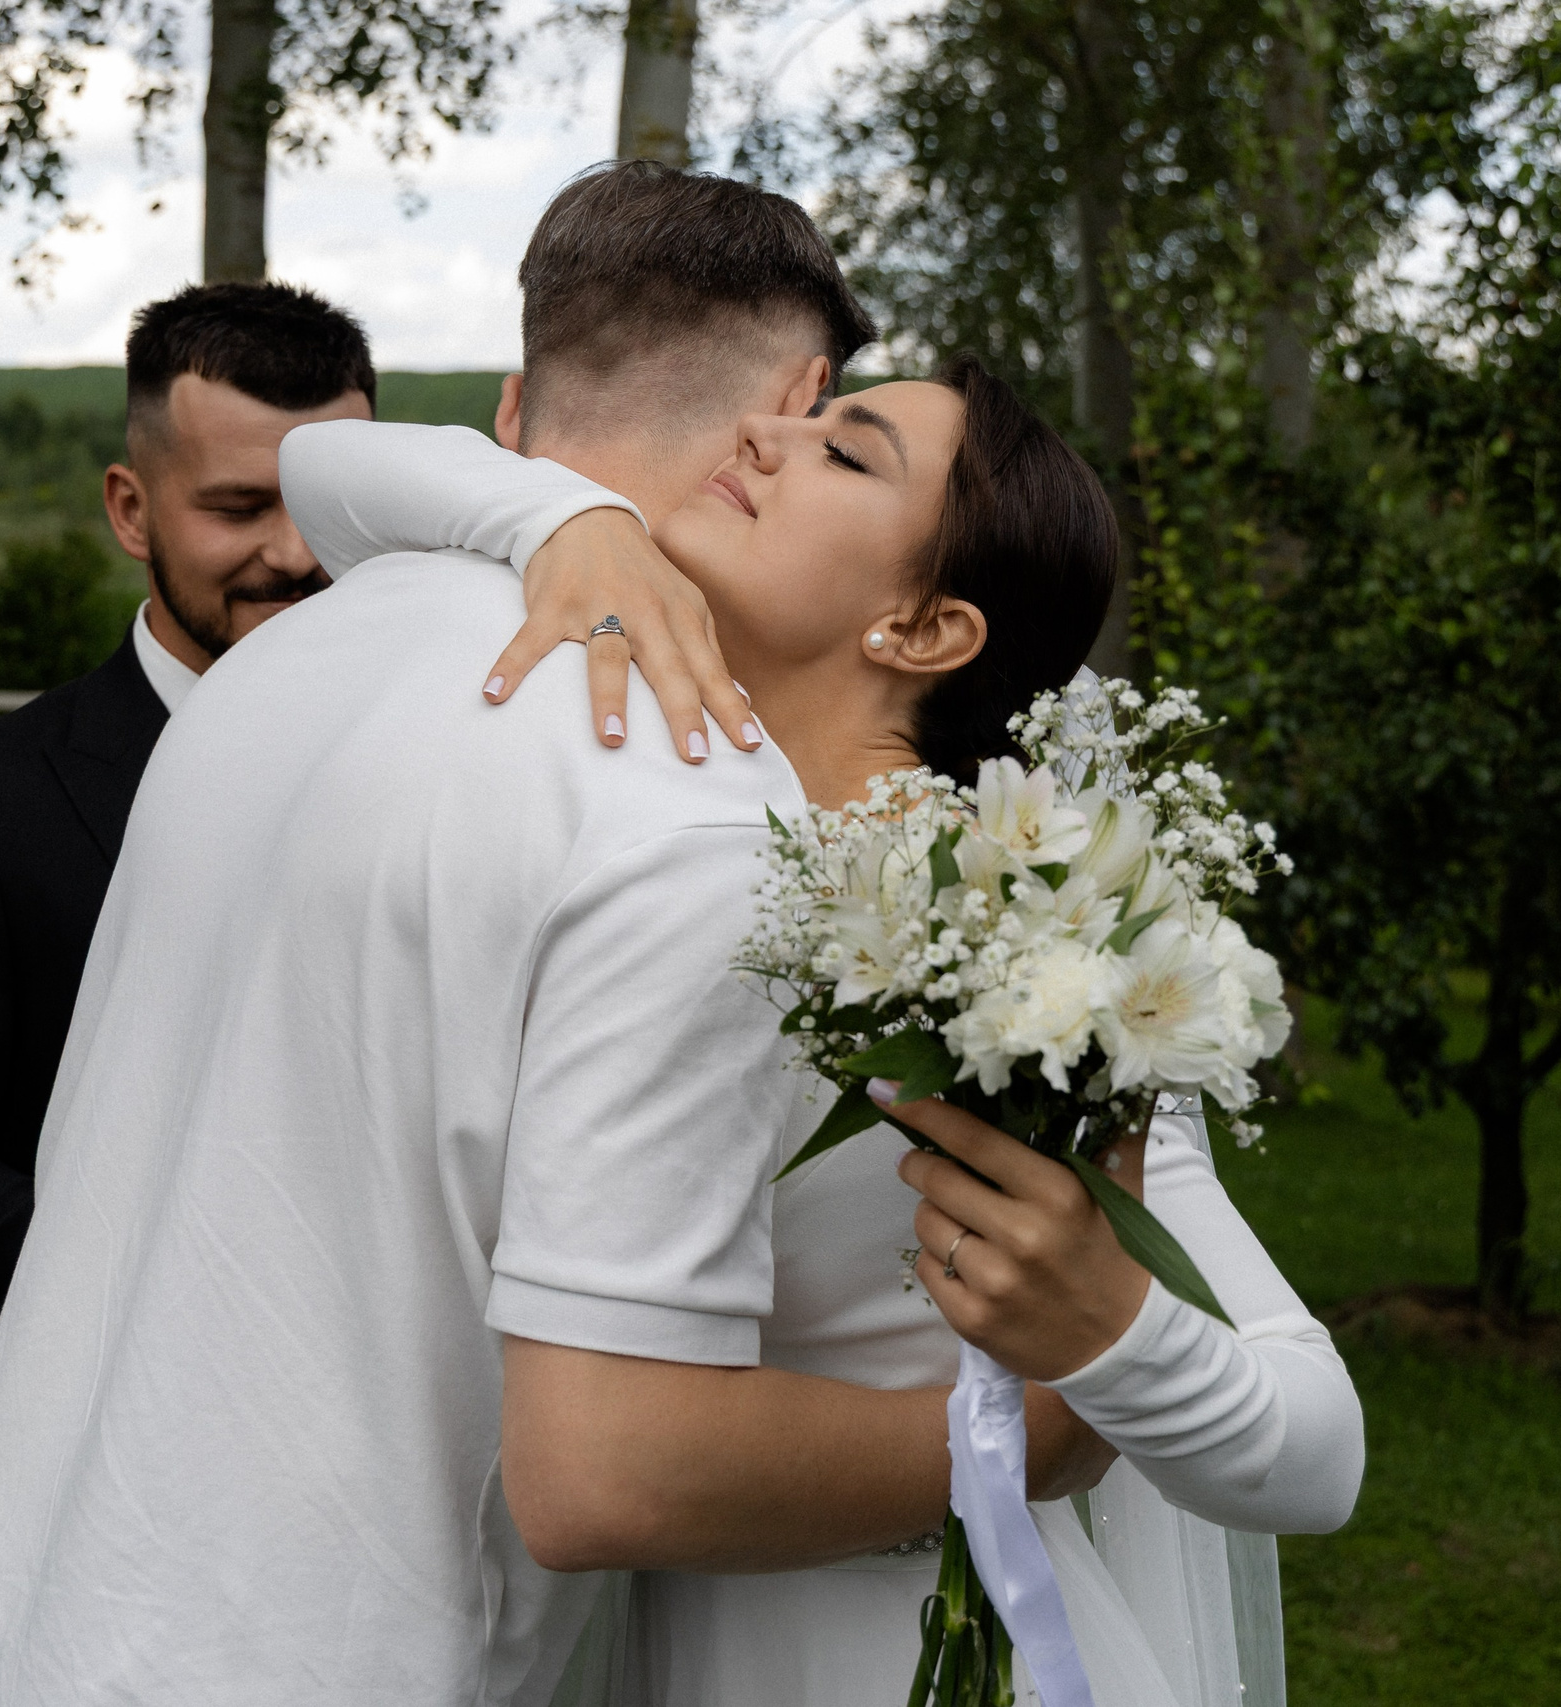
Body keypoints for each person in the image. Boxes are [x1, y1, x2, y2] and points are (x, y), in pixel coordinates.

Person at [0, 164, 1122, 1707]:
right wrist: (1034, 1441)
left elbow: (350, 478)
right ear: (793, 397)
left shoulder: (292, 654)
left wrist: (549, 509)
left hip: (7, 1626)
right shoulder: (692, 801)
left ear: (519, 387)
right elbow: (610, 1469)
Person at [280, 367, 1364, 1703]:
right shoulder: (678, 842)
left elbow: (1319, 1452)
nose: (760, 433)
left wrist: (1109, 1343)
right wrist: (563, 523)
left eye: (845, 451)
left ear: (922, 625)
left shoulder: (1030, 943)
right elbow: (319, 472)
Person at [0, 282, 375, 1344]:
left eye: (330, 514)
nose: (293, 556)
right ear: (130, 509)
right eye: (238, 508)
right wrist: (203, 1272)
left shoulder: (447, 757)